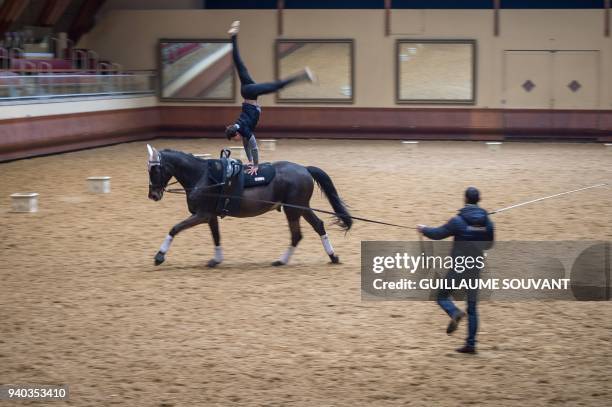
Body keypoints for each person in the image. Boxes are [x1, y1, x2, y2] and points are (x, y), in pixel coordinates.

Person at [225, 20, 315, 175]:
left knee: (276, 86)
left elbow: (253, 146)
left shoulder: (244, 130)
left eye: (235, 139)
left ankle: (303, 75)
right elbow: (247, 146)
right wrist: (250, 162)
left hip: (250, 93)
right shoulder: (240, 129)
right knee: (239, 64)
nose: (236, 141)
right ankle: (233, 35)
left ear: (237, 134)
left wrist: (256, 165)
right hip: (247, 92)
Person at [417, 187, 495, 354]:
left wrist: (423, 229)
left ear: (465, 199)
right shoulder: (487, 222)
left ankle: (454, 312)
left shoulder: (457, 221)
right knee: (473, 307)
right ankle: (471, 344)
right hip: (475, 267)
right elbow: (489, 244)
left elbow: (438, 234)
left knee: (441, 295)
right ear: (479, 199)